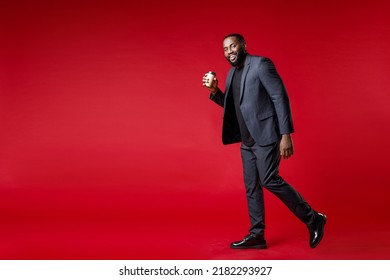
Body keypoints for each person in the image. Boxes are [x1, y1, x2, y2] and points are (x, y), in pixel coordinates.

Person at [202, 33, 326, 249]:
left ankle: (313, 218)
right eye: (225, 49)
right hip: (247, 141)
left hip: (267, 135)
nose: (229, 51)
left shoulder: (261, 64)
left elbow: (280, 97)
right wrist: (215, 91)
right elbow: (234, 109)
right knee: (251, 187)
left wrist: (286, 135)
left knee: (269, 179)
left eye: (233, 46)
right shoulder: (231, 74)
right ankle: (257, 235)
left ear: (243, 46)